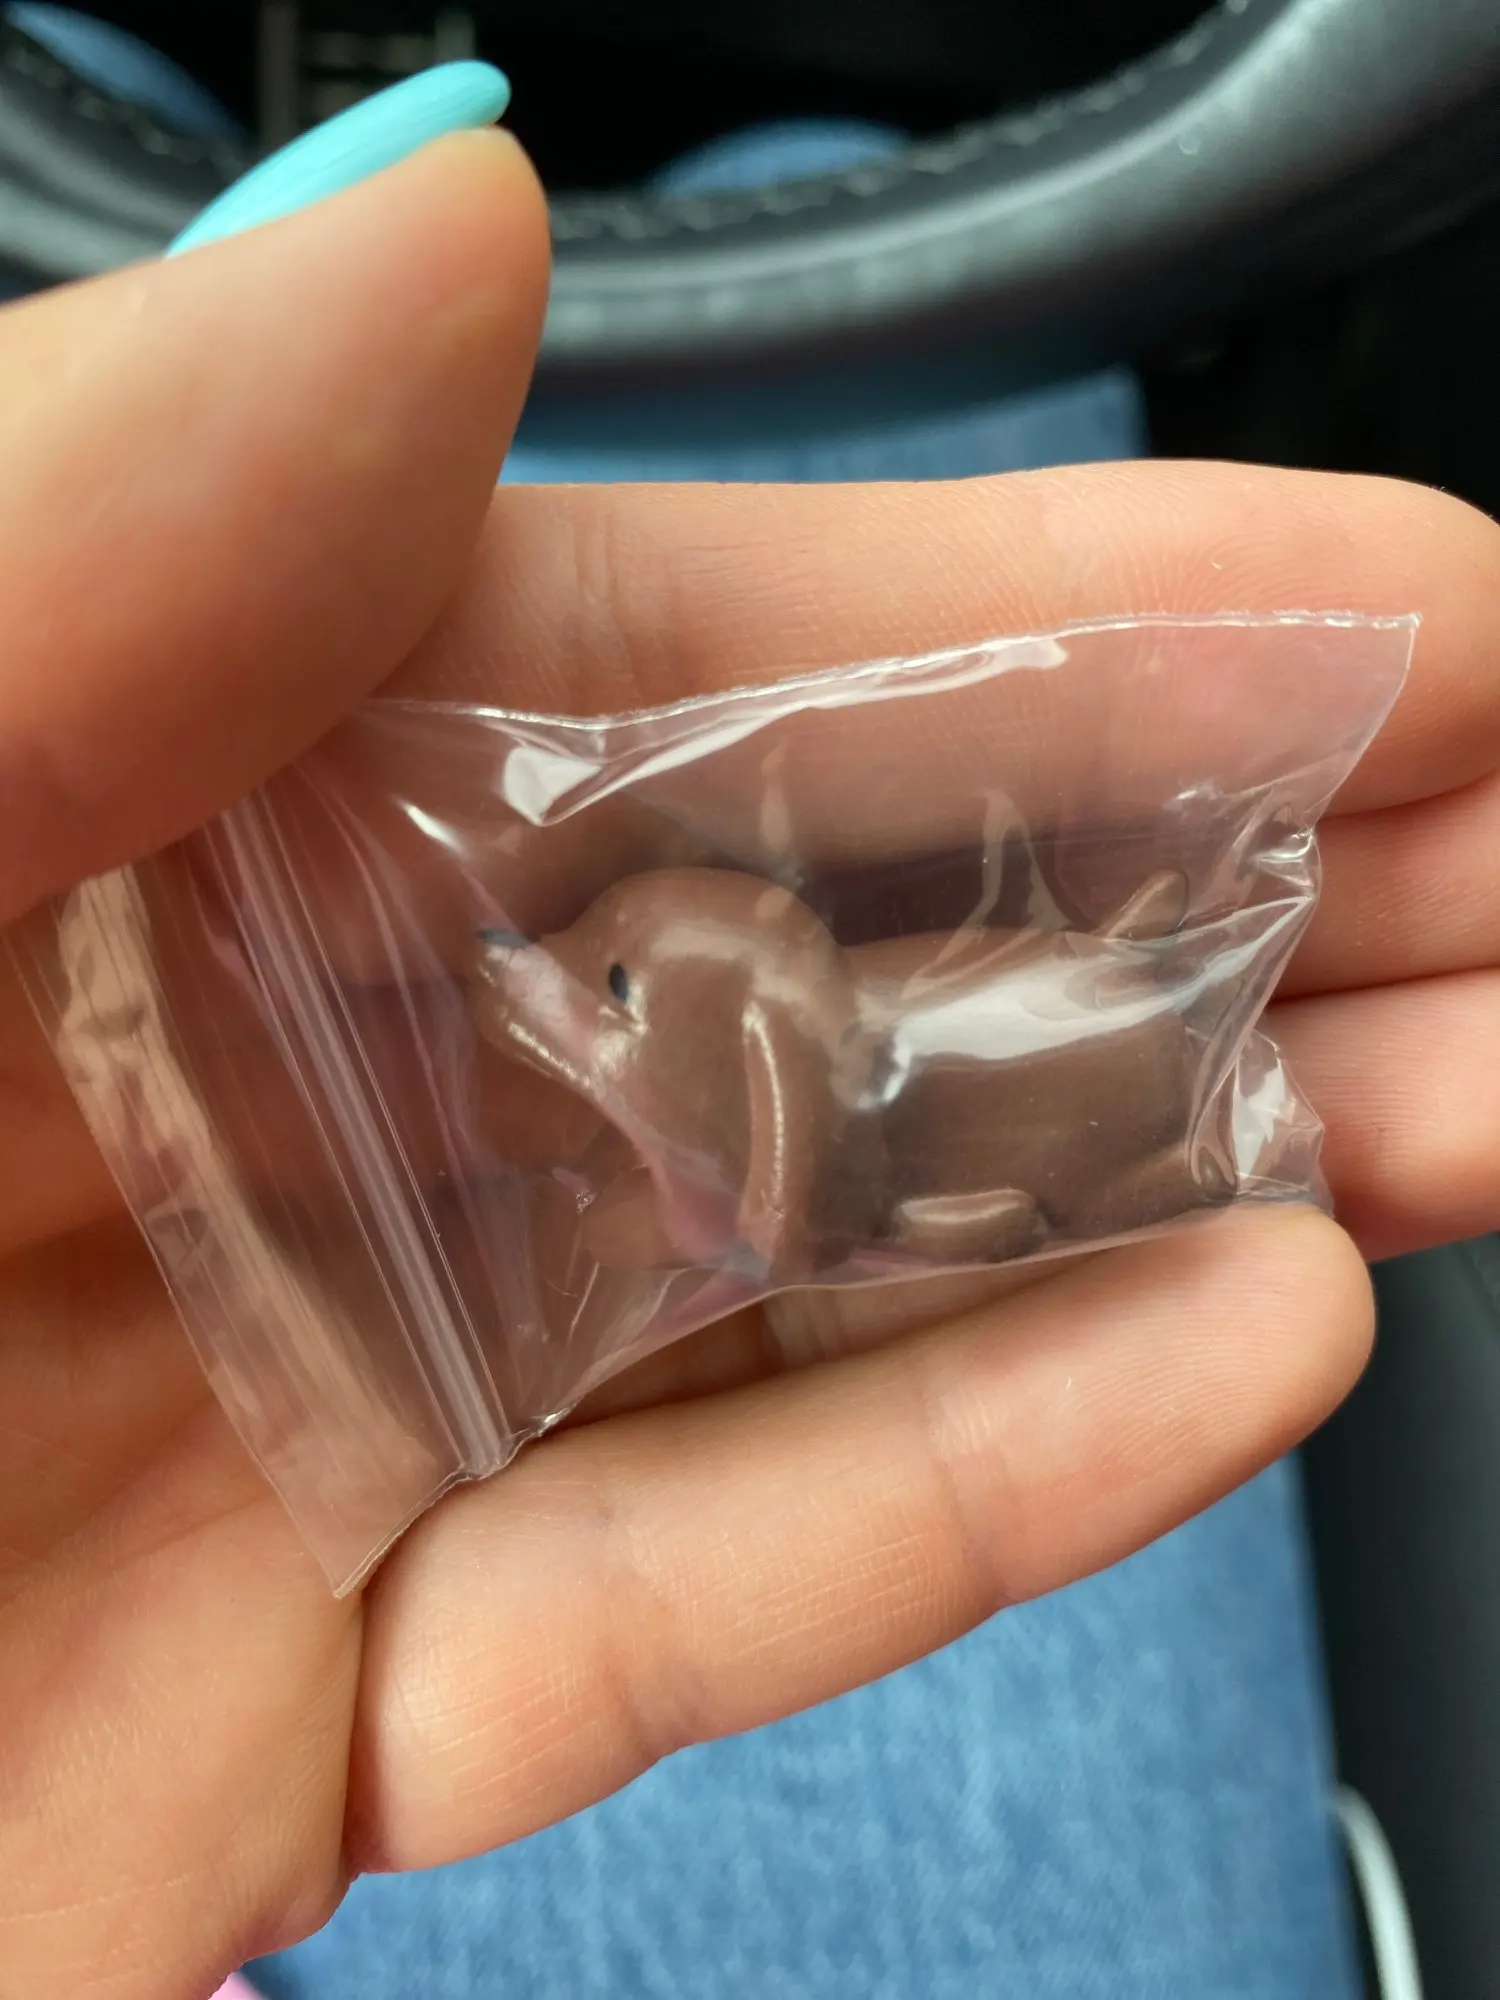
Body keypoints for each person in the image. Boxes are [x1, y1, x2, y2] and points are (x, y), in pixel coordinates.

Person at [2, 127, 1498, 2000]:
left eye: (618, 991)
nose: (571, 1003)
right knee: (829, 170)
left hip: (1076, 1105)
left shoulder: (819, 1108)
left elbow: (809, 1181)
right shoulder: (739, 1095)